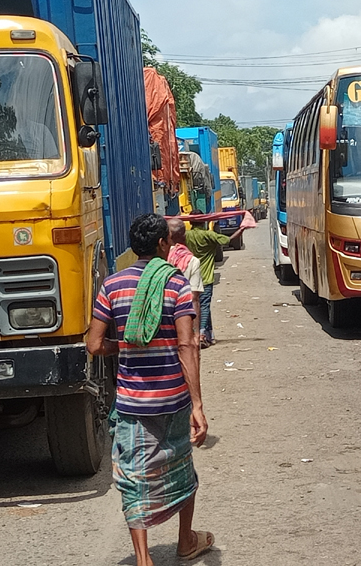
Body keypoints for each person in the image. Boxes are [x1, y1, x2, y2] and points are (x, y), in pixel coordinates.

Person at [87, 214, 214, 566]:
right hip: (172, 399)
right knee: (181, 466)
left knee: (134, 476)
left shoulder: (112, 286)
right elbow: (187, 345)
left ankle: (144, 559)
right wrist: (198, 404)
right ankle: (186, 540)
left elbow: (94, 344)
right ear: (162, 246)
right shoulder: (174, 284)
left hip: (132, 403)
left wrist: (126, 345)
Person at [185, 220, 246, 348]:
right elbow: (228, 240)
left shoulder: (186, 236)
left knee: (195, 306)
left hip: (190, 277)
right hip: (206, 277)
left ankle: (210, 335)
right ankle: (201, 334)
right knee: (205, 306)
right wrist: (242, 229)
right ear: (204, 222)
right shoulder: (209, 235)